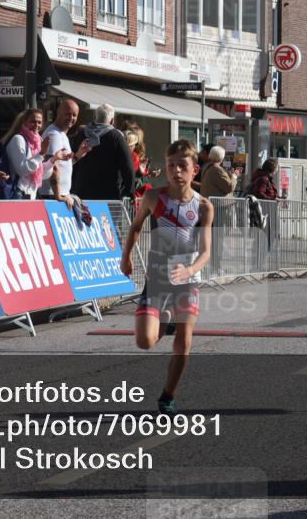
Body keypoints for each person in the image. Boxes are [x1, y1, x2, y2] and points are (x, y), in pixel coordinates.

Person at [121, 139, 213, 415]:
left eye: (182, 165)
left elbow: (206, 252)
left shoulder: (204, 206)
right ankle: (165, 318)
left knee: (184, 343)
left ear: (194, 169)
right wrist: (125, 257)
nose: (176, 171)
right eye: (171, 165)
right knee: (145, 341)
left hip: (186, 280)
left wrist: (190, 270)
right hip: (159, 278)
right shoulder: (153, 198)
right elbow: (135, 227)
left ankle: (168, 396)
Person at [1, 108, 71, 200]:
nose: (36, 125)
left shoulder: (38, 141)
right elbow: (23, 169)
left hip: (31, 195)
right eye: (33, 122)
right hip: (18, 193)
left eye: (39, 122)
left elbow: (42, 174)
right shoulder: (18, 139)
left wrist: (54, 159)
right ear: (25, 122)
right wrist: (41, 154)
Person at [71, 103, 135, 201]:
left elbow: (72, 163)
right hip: (108, 196)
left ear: (95, 118)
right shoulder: (116, 137)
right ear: (112, 121)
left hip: (82, 194)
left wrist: (72, 189)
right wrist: (129, 193)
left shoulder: (81, 134)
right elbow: (128, 168)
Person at [39, 99, 91, 205]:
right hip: (52, 196)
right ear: (58, 113)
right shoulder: (54, 134)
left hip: (59, 195)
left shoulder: (62, 134)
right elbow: (53, 166)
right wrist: (58, 196)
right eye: (67, 114)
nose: (71, 118)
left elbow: (63, 164)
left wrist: (78, 155)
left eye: (74, 115)